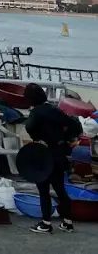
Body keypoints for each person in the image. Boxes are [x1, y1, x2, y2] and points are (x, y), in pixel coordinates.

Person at [24, 83, 81, 234]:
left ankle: (46, 223)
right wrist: (64, 137)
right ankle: (68, 222)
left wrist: (39, 138)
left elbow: (29, 127)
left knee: (43, 190)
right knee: (60, 189)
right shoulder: (55, 110)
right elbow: (74, 126)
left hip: (43, 154)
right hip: (59, 153)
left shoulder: (36, 112)